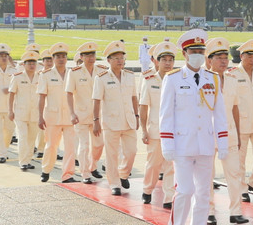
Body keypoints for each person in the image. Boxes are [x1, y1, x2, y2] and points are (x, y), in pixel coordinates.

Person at [161, 29, 230, 225]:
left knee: (203, 194)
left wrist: (223, 141)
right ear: (185, 53)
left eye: (201, 51)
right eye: (194, 51)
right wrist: (167, 143)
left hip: (205, 144)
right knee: (185, 190)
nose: (198, 55)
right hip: (181, 144)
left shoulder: (213, 79)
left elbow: (219, 113)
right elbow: (166, 114)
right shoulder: (172, 79)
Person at [204, 37, 244, 225]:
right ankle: (209, 211)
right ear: (209, 60)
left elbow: (235, 108)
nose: (223, 61)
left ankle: (236, 211)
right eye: (218, 57)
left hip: (229, 133)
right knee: (207, 175)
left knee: (234, 173)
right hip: (207, 133)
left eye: (225, 57)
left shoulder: (233, 79)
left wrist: (238, 132)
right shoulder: (202, 79)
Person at [92, 41, 139, 196]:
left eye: (121, 57)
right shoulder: (102, 78)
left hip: (129, 120)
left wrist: (137, 115)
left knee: (131, 151)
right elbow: (96, 100)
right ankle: (114, 183)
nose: (120, 61)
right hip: (111, 122)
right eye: (116, 58)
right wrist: (96, 121)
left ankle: (123, 174)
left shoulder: (130, 76)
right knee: (111, 154)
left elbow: (134, 98)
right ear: (109, 60)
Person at [226, 38, 253, 201]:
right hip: (241, 123)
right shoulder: (233, 74)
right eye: (249, 56)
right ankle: (242, 189)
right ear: (241, 56)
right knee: (239, 160)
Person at [139, 42, 176, 206]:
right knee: (153, 164)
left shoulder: (177, 79)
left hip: (174, 130)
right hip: (155, 130)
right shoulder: (149, 79)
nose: (168, 63)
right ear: (157, 61)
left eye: (170, 60)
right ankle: (147, 190)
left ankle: (169, 197)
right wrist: (144, 130)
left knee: (171, 166)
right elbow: (144, 106)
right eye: (164, 60)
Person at [37, 43, 78, 183]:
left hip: (69, 116)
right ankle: (46, 169)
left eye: (64, 56)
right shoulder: (46, 75)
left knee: (70, 147)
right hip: (52, 116)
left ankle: (68, 175)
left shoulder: (73, 73)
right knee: (51, 146)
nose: (61, 59)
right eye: (58, 57)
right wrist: (40, 117)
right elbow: (42, 97)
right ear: (53, 58)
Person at [66, 42, 106, 184]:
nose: (91, 57)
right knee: (84, 146)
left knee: (99, 145)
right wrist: (71, 113)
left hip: (98, 116)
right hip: (81, 115)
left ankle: (93, 165)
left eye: (93, 54)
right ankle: (85, 173)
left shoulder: (102, 71)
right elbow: (69, 93)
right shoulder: (75, 72)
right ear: (81, 57)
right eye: (87, 55)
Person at [8, 51, 41, 171]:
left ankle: (27, 160)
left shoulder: (40, 76)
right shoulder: (17, 77)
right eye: (29, 63)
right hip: (20, 112)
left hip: (35, 113)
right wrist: (10, 110)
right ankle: (22, 162)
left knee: (31, 139)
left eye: (34, 63)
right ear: (24, 64)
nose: (32, 65)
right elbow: (11, 94)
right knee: (22, 137)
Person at [34, 49, 53, 159]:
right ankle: (40, 149)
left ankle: (48, 149)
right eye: (47, 60)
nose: (49, 63)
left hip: (52, 105)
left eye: (51, 60)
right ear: (43, 62)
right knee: (41, 129)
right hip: (40, 103)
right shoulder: (38, 74)